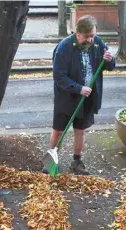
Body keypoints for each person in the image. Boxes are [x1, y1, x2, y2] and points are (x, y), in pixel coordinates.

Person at [46, 15, 115, 175]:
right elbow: (59, 76)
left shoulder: (97, 43)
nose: (91, 40)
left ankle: (76, 162)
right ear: (78, 33)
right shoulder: (64, 47)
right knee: (58, 130)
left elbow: (109, 66)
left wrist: (109, 60)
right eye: (87, 36)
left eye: (93, 35)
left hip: (87, 97)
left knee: (80, 130)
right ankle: (50, 161)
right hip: (67, 97)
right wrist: (78, 88)